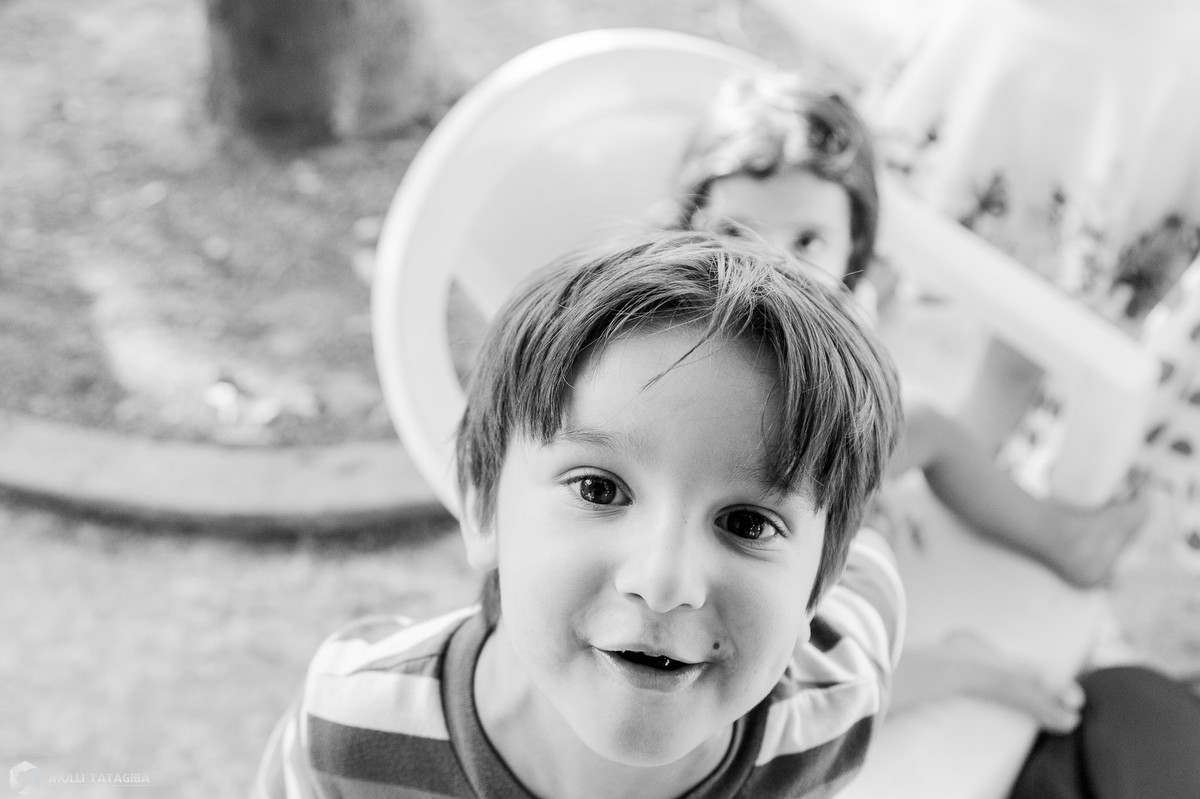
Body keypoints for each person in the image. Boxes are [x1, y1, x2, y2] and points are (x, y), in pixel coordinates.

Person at [252, 229, 907, 799]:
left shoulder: (833, 711)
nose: (663, 582)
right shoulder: (351, 731)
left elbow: (874, 579)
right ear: (482, 506)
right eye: (598, 489)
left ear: (818, 586)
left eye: (747, 523)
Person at [676, 70, 1146, 597]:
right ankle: (1061, 539)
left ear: (853, 247)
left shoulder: (836, 307)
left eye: (807, 242)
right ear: (692, 224)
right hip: (731, 478)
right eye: (737, 232)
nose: (772, 266)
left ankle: (1052, 535)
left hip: (801, 481)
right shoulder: (676, 298)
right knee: (929, 426)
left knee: (918, 422)